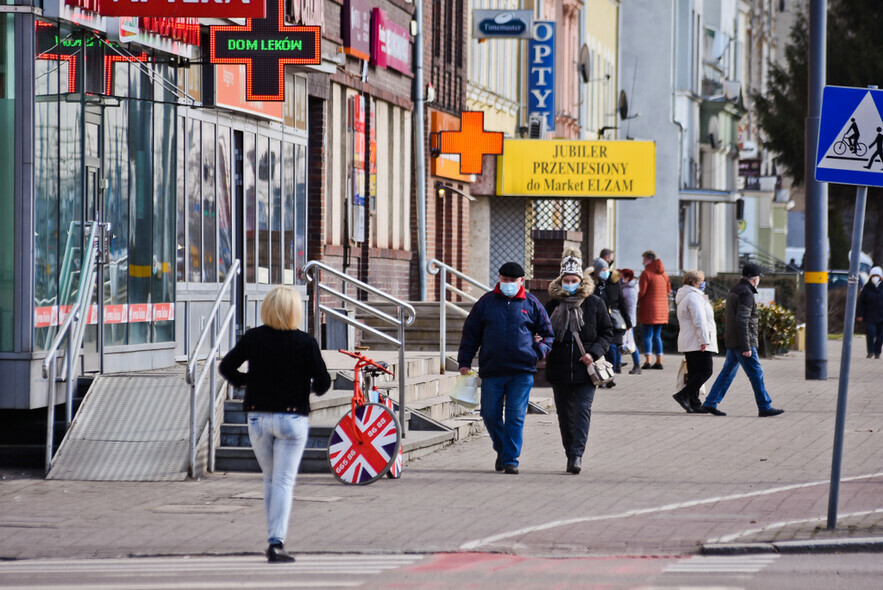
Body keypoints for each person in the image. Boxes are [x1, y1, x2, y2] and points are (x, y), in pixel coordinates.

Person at [219, 286, 331, 563]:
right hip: (292, 419)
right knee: (283, 480)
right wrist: (310, 388)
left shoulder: (254, 338)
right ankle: (276, 542)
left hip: (258, 417)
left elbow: (226, 367)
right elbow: (324, 381)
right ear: (295, 311)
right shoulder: (305, 342)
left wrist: (248, 382)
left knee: (270, 479)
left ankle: (273, 537)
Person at [458, 262, 554, 475]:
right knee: (489, 414)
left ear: (521, 281)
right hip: (492, 370)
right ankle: (502, 450)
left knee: (515, 415)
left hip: (522, 371)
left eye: (513, 281)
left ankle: (510, 460)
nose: (508, 284)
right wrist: (464, 362)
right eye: (505, 280)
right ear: (499, 279)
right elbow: (470, 334)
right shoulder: (486, 303)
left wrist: (538, 352)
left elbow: (548, 334)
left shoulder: (531, 304)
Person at [544, 249, 613, 474]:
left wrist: (593, 352)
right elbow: (543, 332)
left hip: (586, 370)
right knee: (565, 415)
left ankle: (576, 455)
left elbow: (607, 332)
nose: (570, 284)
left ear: (581, 281)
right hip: (560, 368)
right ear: (560, 281)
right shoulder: (552, 305)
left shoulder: (594, 303)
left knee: (582, 411)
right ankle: (569, 451)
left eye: (574, 280)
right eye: (567, 281)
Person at [698, 263, 785, 418]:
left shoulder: (736, 289)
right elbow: (742, 321)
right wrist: (746, 346)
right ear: (755, 278)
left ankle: (710, 402)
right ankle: (764, 406)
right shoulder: (746, 293)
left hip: (734, 340)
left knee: (728, 372)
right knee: (756, 372)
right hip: (742, 342)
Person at [672, 270, 718, 413]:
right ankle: (683, 395)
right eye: (701, 281)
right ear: (693, 282)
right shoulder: (693, 297)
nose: (703, 284)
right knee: (706, 371)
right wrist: (704, 340)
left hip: (690, 340)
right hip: (697, 341)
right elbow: (699, 320)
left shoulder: (686, 295)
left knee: (694, 372)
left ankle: (694, 402)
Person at [592, 257, 631, 381]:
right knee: (601, 350)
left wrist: (628, 321)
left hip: (614, 321)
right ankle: (601, 374)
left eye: (606, 269)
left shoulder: (614, 283)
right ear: (597, 272)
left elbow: (622, 303)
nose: (605, 271)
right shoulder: (592, 285)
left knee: (613, 349)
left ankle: (611, 376)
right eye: (602, 270)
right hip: (598, 321)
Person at [637, 250, 671, 370]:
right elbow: (668, 291)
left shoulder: (646, 273)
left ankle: (647, 361)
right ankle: (659, 361)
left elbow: (642, 292)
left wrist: (637, 299)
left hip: (649, 308)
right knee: (657, 336)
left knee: (647, 335)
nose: (642, 262)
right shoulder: (664, 274)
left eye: (644, 259)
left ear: (649, 259)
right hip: (662, 310)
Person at [620, 268, 643, 374]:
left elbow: (629, 307)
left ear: (627, 277)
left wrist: (627, 322)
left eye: (621, 276)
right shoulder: (626, 287)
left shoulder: (629, 290)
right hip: (626, 319)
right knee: (622, 341)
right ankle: (618, 362)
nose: (620, 278)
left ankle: (637, 364)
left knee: (630, 343)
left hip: (627, 320)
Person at [857, 265, 883, 359]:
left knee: (880, 336)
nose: (875, 277)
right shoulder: (866, 288)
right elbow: (861, 302)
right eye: (873, 275)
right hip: (870, 316)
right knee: (871, 333)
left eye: (877, 275)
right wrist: (860, 314)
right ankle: (870, 351)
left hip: (881, 316)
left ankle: (877, 352)